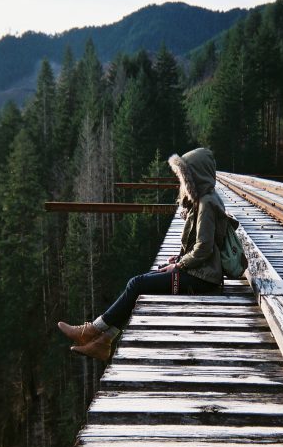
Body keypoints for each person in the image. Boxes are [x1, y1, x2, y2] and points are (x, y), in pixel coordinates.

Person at [58, 147, 228, 361]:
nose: (181, 183)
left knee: (137, 283)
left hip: (203, 280)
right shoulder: (206, 200)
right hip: (200, 274)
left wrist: (179, 266)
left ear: (196, 176)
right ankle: (104, 340)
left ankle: (93, 331)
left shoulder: (206, 204)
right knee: (145, 281)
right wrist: (179, 259)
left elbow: (203, 248)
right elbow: (201, 245)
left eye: (185, 177)